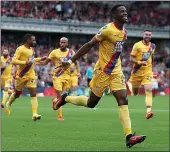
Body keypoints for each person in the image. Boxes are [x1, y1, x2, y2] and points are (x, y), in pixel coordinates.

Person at [53, 4, 146, 148]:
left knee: (123, 99)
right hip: (102, 72)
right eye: (122, 12)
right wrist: (70, 61)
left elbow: (115, 52)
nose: (126, 14)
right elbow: (89, 45)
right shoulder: (107, 30)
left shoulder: (124, 32)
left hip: (116, 72)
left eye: (126, 12)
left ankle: (129, 137)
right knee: (92, 103)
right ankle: (65, 98)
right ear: (114, 15)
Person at [5, 34, 47, 121]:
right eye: (33, 40)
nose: (35, 42)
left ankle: (34, 114)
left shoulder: (32, 49)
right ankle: (8, 103)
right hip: (21, 75)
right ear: (28, 40)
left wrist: (40, 59)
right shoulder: (20, 49)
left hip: (31, 74)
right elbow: (13, 61)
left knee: (33, 93)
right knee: (17, 94)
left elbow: (32, 60)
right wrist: (25, 62)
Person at [39, 37, 75, 121]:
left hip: (67, 77)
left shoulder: (71, 52)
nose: (62, 44)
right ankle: (60, 116)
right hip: (57, 76)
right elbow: (46, 62)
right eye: (61, 42)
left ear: (67, 43)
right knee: (60, 95)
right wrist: (37, 60)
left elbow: (75, 62)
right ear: (59, 43)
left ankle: (55, 100)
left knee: (64, 96)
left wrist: (77, 71)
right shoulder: (54, 52)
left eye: (64, 42)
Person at [128, 30, 156, 119]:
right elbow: (131, 58)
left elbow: (152, 57)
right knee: (135, 92)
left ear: (151, 36)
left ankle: (148, 112)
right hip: (137, 72)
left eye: (149, 35)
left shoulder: (153, 46)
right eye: (146, 34)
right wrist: (139, 63)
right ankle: (132, 89)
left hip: (147, 72)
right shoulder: (137, 45)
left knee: (148, 89)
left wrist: (151, 67)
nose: (148, 36)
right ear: (143, 35)